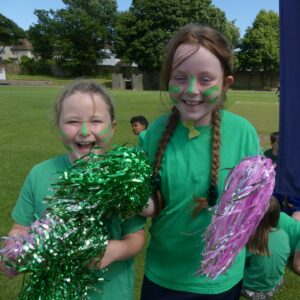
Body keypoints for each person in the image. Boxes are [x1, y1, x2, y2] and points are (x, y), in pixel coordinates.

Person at [140, 23, 261, 299]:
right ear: (167, 79)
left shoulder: (243, 133)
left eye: (205, 79)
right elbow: (146, 201)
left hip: (221, 280)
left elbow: (252, 205)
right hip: (163, 278)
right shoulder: (154, 134)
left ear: (225, 83)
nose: (191, 90)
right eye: (180, 78)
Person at [0, 81, 145, 300]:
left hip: (110, 293)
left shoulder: (125, 178)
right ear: (58, 126)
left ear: (113, 126)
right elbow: (20, 228)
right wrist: (15, 251)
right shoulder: (40, 173)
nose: (84, 131)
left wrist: (115, 249)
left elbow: (136, 237)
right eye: (73, 122)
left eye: (96, 121)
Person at [242, 196, 290, 299]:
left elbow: (240, 261)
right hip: (274, 284)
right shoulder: (284, 234)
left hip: (251, 287)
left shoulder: (252, 239)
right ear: (277, 215)